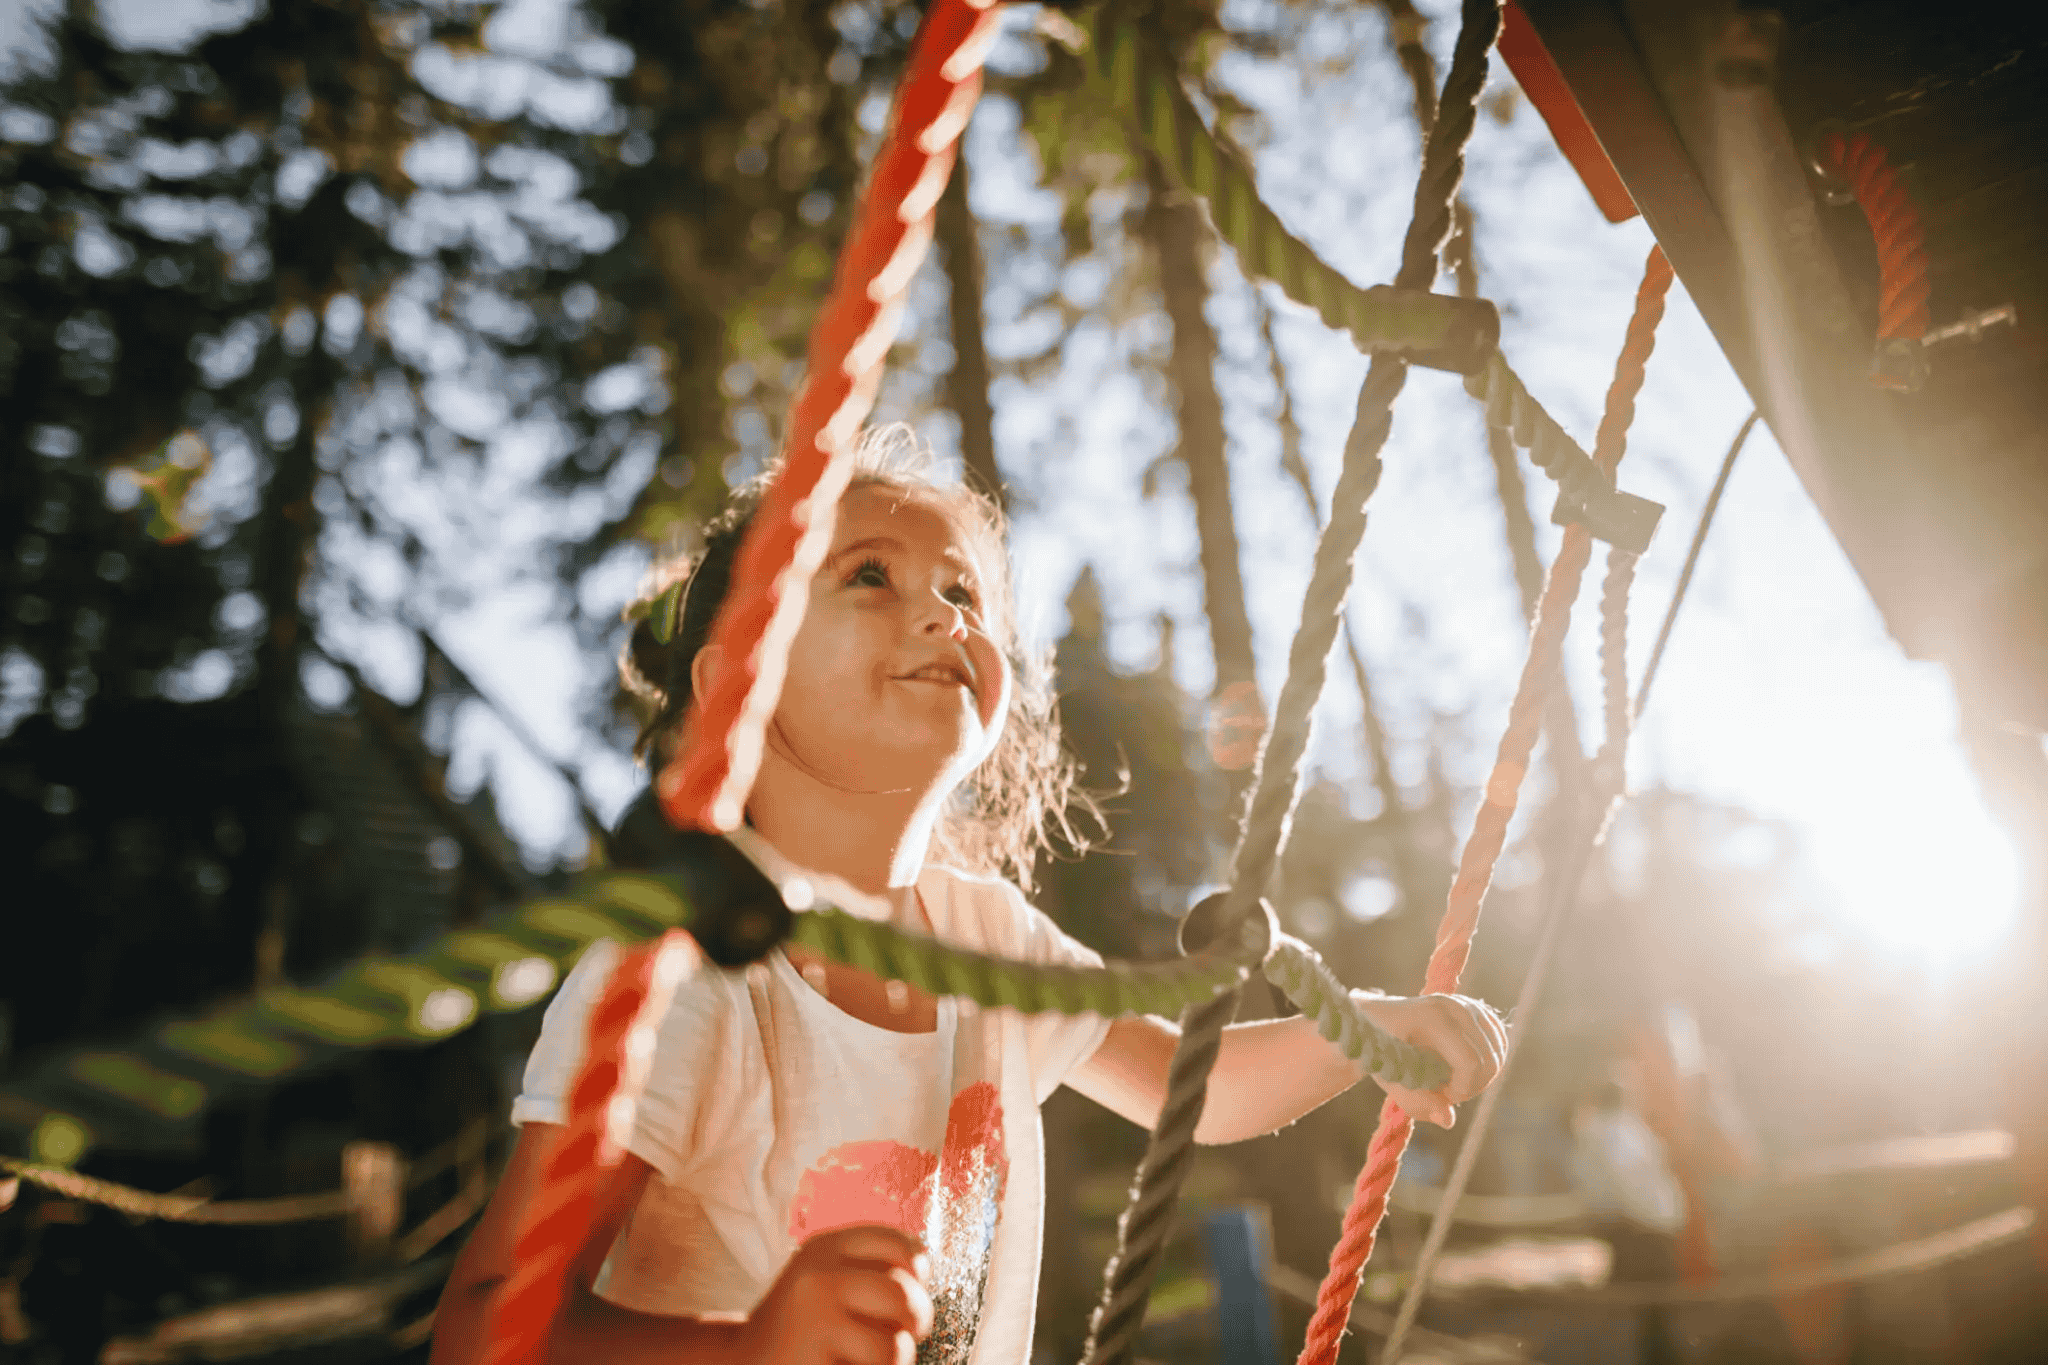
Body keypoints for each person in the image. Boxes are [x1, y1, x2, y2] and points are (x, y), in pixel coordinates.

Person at [430, 428, 1509, 1365]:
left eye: (963, 593)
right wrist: (750, 1350)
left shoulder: (982, 933)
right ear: (733, 690)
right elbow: (487, 1331)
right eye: (868, 576)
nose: (944, 617)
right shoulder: (680, 976)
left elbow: (1201, 1089)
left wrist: (1363, 1029)